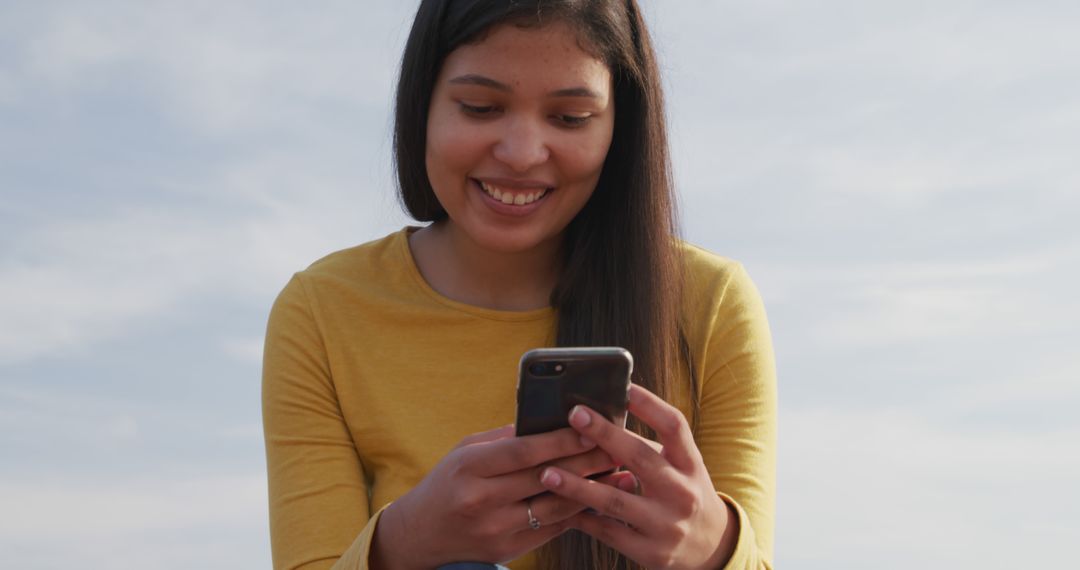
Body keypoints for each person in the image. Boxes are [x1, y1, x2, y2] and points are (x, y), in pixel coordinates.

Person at [261, 1, 777, 569]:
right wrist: (408, 539)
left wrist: (712, 548)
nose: (522, 154)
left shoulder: (710, 303)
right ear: (421, 105)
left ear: (618, 128)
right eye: (481, 108)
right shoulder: (324, 310)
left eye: (570, 118)